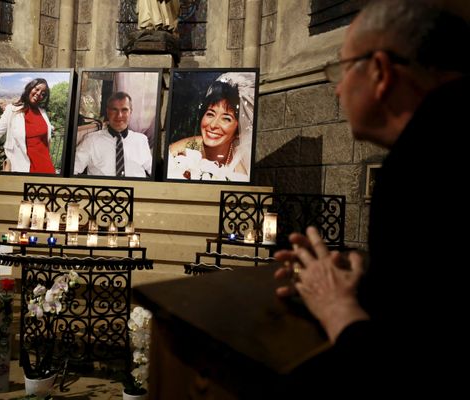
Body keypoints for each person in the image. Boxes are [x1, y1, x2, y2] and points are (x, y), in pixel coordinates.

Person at [272, 0, 469, 396]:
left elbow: (402, 368)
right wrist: (367, 285)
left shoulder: (423, 162)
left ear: (379, 71)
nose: (338, 90)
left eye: (342, 70)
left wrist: (334, 304)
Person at [168, 72, 254, 181]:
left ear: (238, 131)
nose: (213, 125)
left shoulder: (241, 169)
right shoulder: (183, 148)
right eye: (210, 114)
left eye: (226, 118)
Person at [73, 92, 152, 178]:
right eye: (114, 110)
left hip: (137, 190)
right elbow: (73, 170)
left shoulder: (141, 140)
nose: (119, 115)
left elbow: (152, 170)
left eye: (124, 110)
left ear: (130, 112)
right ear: (108, 112)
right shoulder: (90, 141)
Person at [0, 78, 55, 174]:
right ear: (30, 88)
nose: (39, 94)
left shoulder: (42, 112)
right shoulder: (12, 110)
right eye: (37, 89)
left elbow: (44, 129)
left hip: (45, 165)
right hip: (23, 167)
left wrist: (50, 128)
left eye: (43, 93)